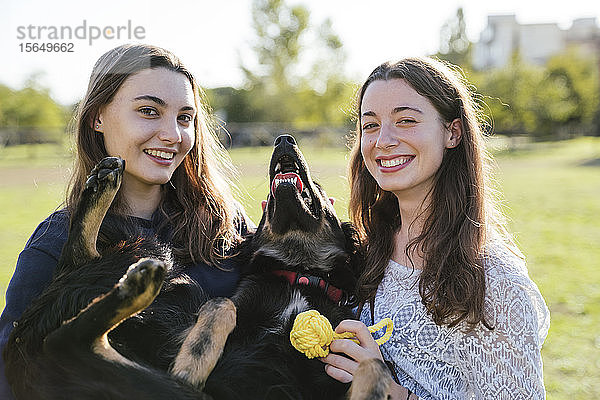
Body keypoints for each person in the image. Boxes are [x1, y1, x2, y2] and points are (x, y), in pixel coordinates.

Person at [0, 43, 251, 398]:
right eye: (149, 111)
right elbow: (14, 368)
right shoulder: (59, 239)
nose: (173, 135)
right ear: (97, 117)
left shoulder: (226, 224)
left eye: (185, 118)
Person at [320, 57, 550, 399]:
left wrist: (385, 391)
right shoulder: (364, 251)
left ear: (452, 132)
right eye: (370, 125)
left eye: (406, 120)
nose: (383, 140)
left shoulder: (495, 283)